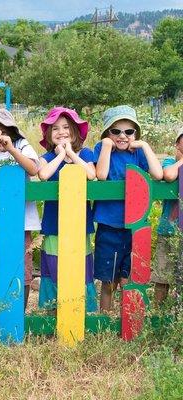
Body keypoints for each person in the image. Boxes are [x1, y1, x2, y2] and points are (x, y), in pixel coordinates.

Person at [94, 105, 163, 312]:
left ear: (135, 134)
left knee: (128, 280)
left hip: (134, 226)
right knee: (108, 282)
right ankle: (105, 321)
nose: (122, 136)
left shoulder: (138, 154)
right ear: (108, 133)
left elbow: (158, 174)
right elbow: (102, 175)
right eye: (116, 131)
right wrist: (106, 146)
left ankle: (128, 321)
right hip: (109, 225)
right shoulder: (103, 150)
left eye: (129, 131)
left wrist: (145, 146)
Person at [0, 108, 40, 309]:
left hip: (21, 219)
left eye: (4, 130)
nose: (0, 135)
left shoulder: (22, 145)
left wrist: (12, 149)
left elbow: (33, 169)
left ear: (12, 132)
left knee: (23, 267)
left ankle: (19, 310)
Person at [37, 107, 97, 312]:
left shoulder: (86, 153)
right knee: (54, 264)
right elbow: (43, 174)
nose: (61, 132)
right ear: (48, 134)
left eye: (66, 127)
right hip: (54, 224)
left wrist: (71, 152)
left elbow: (90, 173)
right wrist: (60, 154)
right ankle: (53, 309)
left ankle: (83, 309)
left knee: (80, 265)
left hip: (80, 224)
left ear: (74, 131)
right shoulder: (46, 157)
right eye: (55, 128)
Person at [152, 127, 183, 304]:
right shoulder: (170, 161)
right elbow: (169, 175)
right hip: (168, 230)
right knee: (162, 275)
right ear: (177, 144)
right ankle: (158, 310)